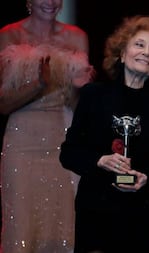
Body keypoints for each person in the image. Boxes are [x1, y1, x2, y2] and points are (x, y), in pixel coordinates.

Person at [59, 15, 149, 253]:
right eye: (139, 45)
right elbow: (69, 154)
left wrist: (148, 179)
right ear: (122, 54)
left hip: (141, 218)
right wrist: (100, 160)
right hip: (95, 213)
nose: (146, 53)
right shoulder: (93, 96)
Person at [0, 0, 94, 252]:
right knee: (21, 222)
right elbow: (3, 105)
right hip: (22, 141)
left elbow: (78, 107)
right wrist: (38, 84)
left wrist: (78, 89)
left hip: (63, 139)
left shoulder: (77, 37)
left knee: (61, 222)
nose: (51, 3)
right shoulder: (9, 35)